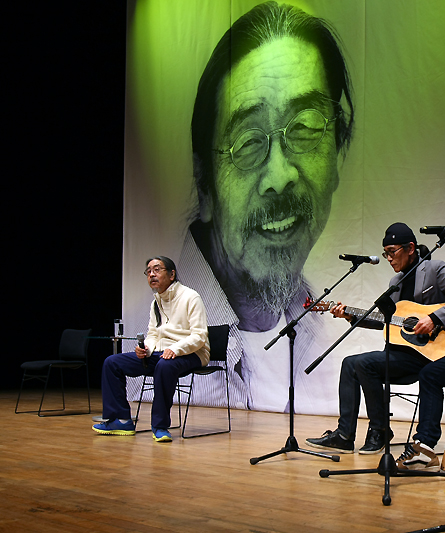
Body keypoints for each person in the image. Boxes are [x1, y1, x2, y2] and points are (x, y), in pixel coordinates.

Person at [174, 1, 356, 413]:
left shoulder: (320, 326)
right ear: (205, 185)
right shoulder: (171, 322)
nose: (280, 175)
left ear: (338, 152)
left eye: (307, 127)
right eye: (249, 142)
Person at [305, 222, 445, 456]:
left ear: (410, 248)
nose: (388, 258)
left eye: (392, 252)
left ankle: (379, 429)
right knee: (350, 362)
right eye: (385, 253)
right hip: (402, 355)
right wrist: (348, 314)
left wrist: (434, 318)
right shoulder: (394, 284)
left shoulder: (435, 270)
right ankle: (344, 435)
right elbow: (387, 321)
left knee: (363, 364)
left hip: (432, 353)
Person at [93, 257, 210, 443]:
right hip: (161, 354)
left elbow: (199, 336)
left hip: (192, 353)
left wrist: (176, 349)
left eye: (157, 269)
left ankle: (160, 426)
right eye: (148, 271)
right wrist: (146, 349)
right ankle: (121, 420)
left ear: (172, 275)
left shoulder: (190, 297)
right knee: (112, 362)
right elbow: (153, 334)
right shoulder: (156, 302)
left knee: (164, 366)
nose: (151, 274)